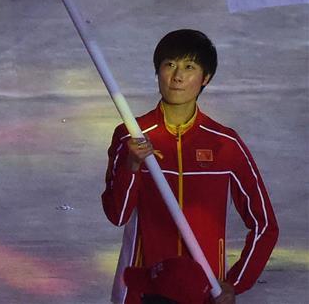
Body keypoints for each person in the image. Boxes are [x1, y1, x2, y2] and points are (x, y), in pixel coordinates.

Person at [102, 30, 278, 304]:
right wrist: (132, 165)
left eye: (189, 67)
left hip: (204, 293)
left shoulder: (225, 143)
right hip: (145, 290)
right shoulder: (131, 135)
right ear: (157, 71)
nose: (178, 77)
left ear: (205, 77)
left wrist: (235, 283)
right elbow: (118, 214)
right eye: (169, 65)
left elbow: (264, 224)